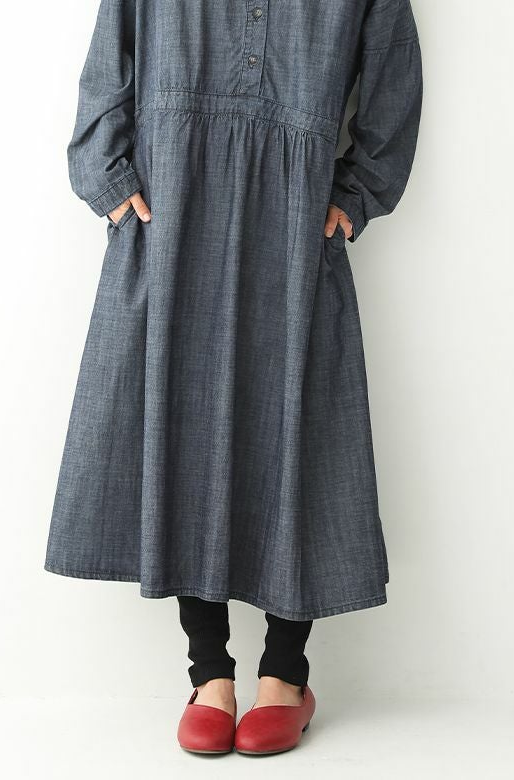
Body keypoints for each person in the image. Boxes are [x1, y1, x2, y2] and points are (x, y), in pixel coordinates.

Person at [44, 0, 423, 757]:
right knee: (181, 421)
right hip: (172, 214)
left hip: (293, 222)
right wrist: (109, 179)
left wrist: (354, 195)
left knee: (295, 426)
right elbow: (107, 67)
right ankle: (209, 672)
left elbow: (393, 82)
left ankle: (285, 674)